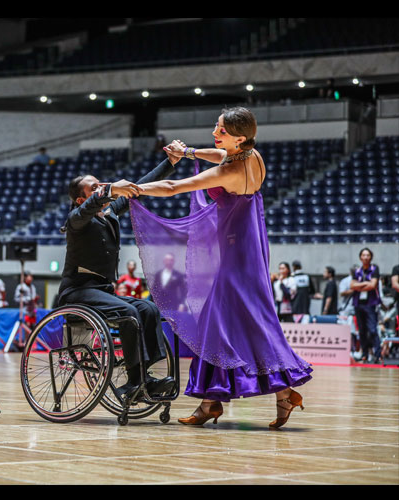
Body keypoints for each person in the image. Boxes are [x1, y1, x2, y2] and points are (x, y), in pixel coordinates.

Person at [133, 107, 312, 428]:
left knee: (225, 323)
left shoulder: (230, 172)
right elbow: (219, 154)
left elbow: (175, 187)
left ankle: (218, 401)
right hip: (246, 250)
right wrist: (187, 151)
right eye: (217, 127)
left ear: (239, 138)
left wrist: (131, 188)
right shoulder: (251, 155)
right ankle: (227, 400)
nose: (216, 134)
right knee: (244, 323)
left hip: (235, 256)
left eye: (222, 131)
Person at [56, 151, 178, 400]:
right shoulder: (76, 219)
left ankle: (144, 376)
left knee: (148, 309)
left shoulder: (109, 214)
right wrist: (110, 190)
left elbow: (140, 187)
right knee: (129, 313)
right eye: (94, 188)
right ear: (81, 199)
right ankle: (133, 381)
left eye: (101, 184)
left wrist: (171, 163)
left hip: (102, 290)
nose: (100, 188)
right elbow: (86, 211)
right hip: (77, 292)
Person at [350, 248, 382, 363]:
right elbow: (352, 286)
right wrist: (364, 283)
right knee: (362, 331)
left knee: (373, 330)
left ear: (371, 257)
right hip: (358, 304)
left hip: (370, 304)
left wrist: (359, 285)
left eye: (368, 255)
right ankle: (364, 354)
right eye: (363, 255)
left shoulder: (375, 269)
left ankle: (378, 355)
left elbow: (373, 285)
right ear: (360, 257)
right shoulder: (357, 271)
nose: (365, 257)